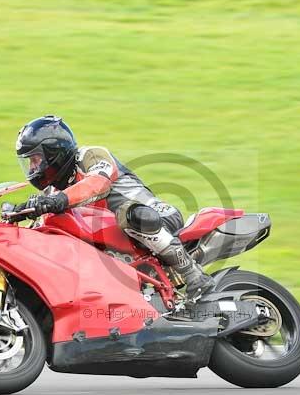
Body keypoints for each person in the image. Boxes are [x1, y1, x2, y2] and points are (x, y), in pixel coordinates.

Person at [11, 115, 215, 298]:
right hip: (116, 239)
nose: (32, 169)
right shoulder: (53, 191)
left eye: (35, 160)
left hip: (155, 217)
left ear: (53, 151)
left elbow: (97, 184)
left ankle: (193, 274)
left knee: (131, 214)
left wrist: (58, 201)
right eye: (29, 162)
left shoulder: (90, 156)